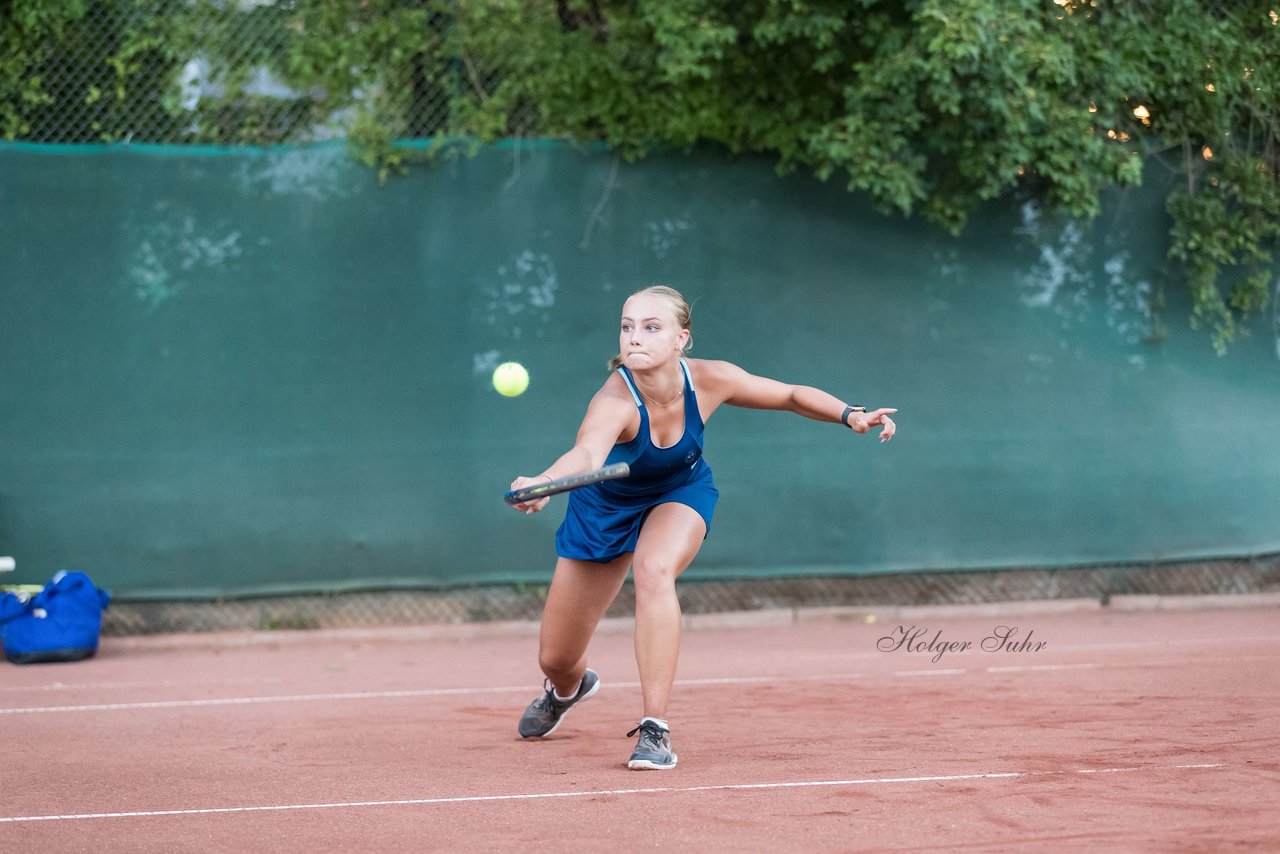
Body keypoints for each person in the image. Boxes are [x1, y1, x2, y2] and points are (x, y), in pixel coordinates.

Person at [509, 285, 897, 770]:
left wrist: (850, 414)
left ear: (681, 339)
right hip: (602, 510)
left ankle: (655, 729)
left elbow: (790, 395)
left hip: (680, 492)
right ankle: (568, 690)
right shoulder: (615, 399)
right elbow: (586, 453)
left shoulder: (709, 379)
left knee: (654, 569)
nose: (635, 338)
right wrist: (546, 482)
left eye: (651, 328)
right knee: (557, 657)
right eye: (628, 327)